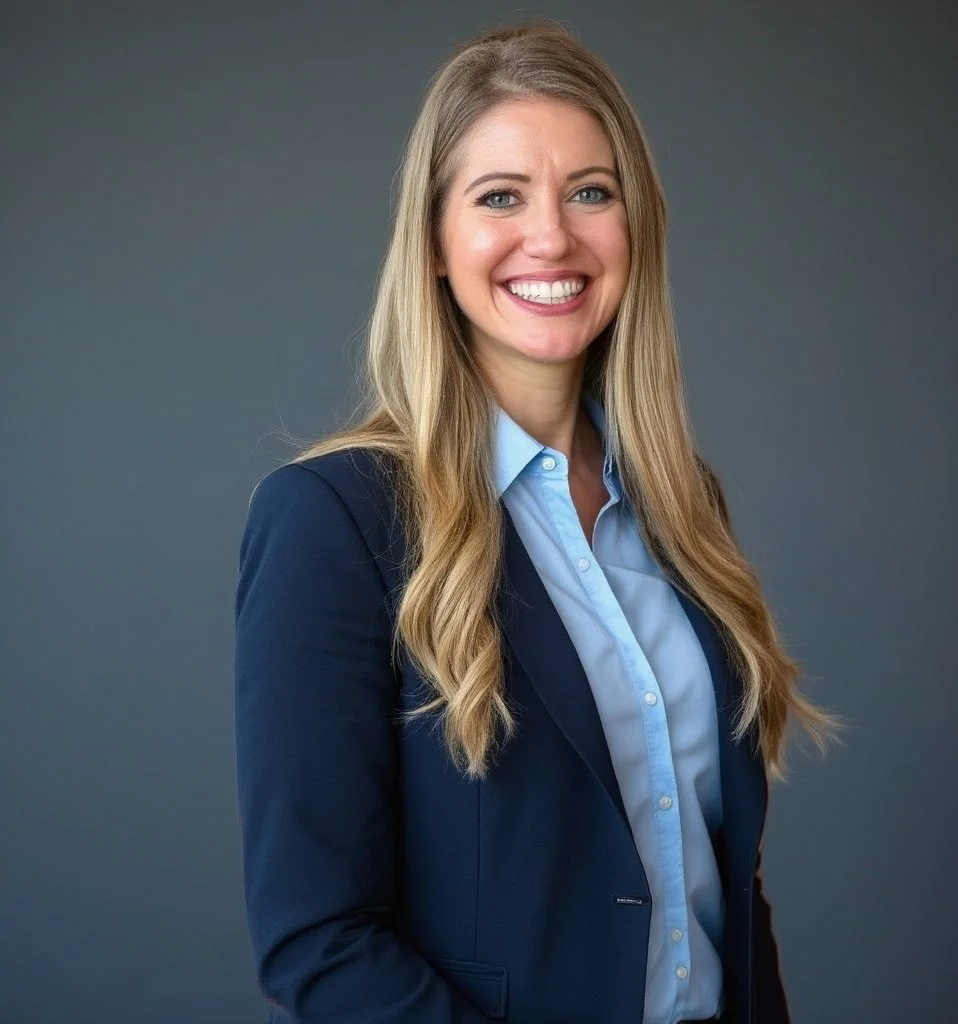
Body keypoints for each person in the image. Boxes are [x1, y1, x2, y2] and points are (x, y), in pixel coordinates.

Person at [234, 19, 834, 1024]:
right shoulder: (335, 520)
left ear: (632, 224)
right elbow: (319, 942)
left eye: (589, 192)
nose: (550, 236)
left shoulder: (683, 503)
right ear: (434, 240)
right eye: (499, 197)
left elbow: (716, 875)